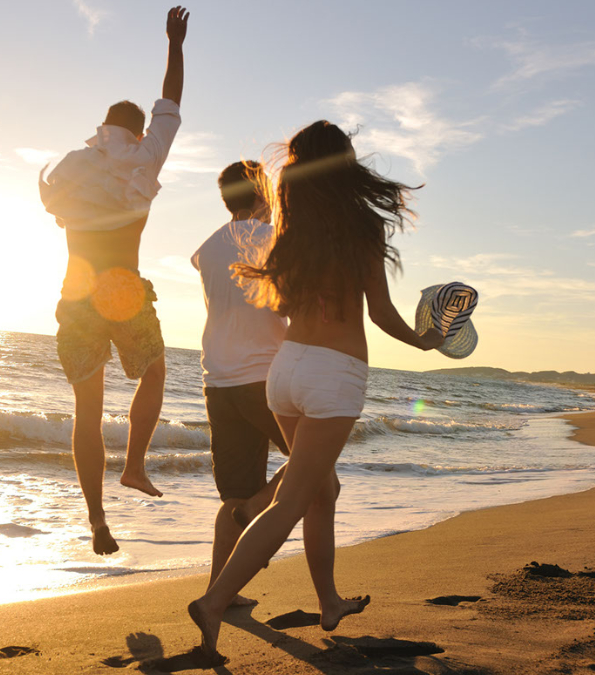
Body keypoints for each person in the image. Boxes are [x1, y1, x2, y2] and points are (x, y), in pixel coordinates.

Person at [187, 121, 444, 658]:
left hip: (286, 371)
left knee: (321, 491)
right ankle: (214, 601)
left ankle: (328, 602)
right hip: (334, 374)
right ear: (346, 165)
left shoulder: (288, 227)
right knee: (290, 500)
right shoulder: (363, 227)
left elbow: (279, 305)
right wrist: (425, 342)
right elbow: (380, 312)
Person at [37, 6, 189, 556]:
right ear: (138, 130)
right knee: (153, 373)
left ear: (102, 125)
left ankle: (96, 518)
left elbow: (55, 209)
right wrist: (175, 44)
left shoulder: (75, 164)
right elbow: (170, 103)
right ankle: (134, 466)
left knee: (86, 411)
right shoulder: (146, 156)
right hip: (122, 289)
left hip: (76, 293)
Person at [190, 161, 287, 603]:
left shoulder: (206, 248)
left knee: (232, 494)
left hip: (218, 380)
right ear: (263, 193)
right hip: (263, 377)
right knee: (314, 463)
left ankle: (219, 591)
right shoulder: (271, 240)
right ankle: (257, 507)